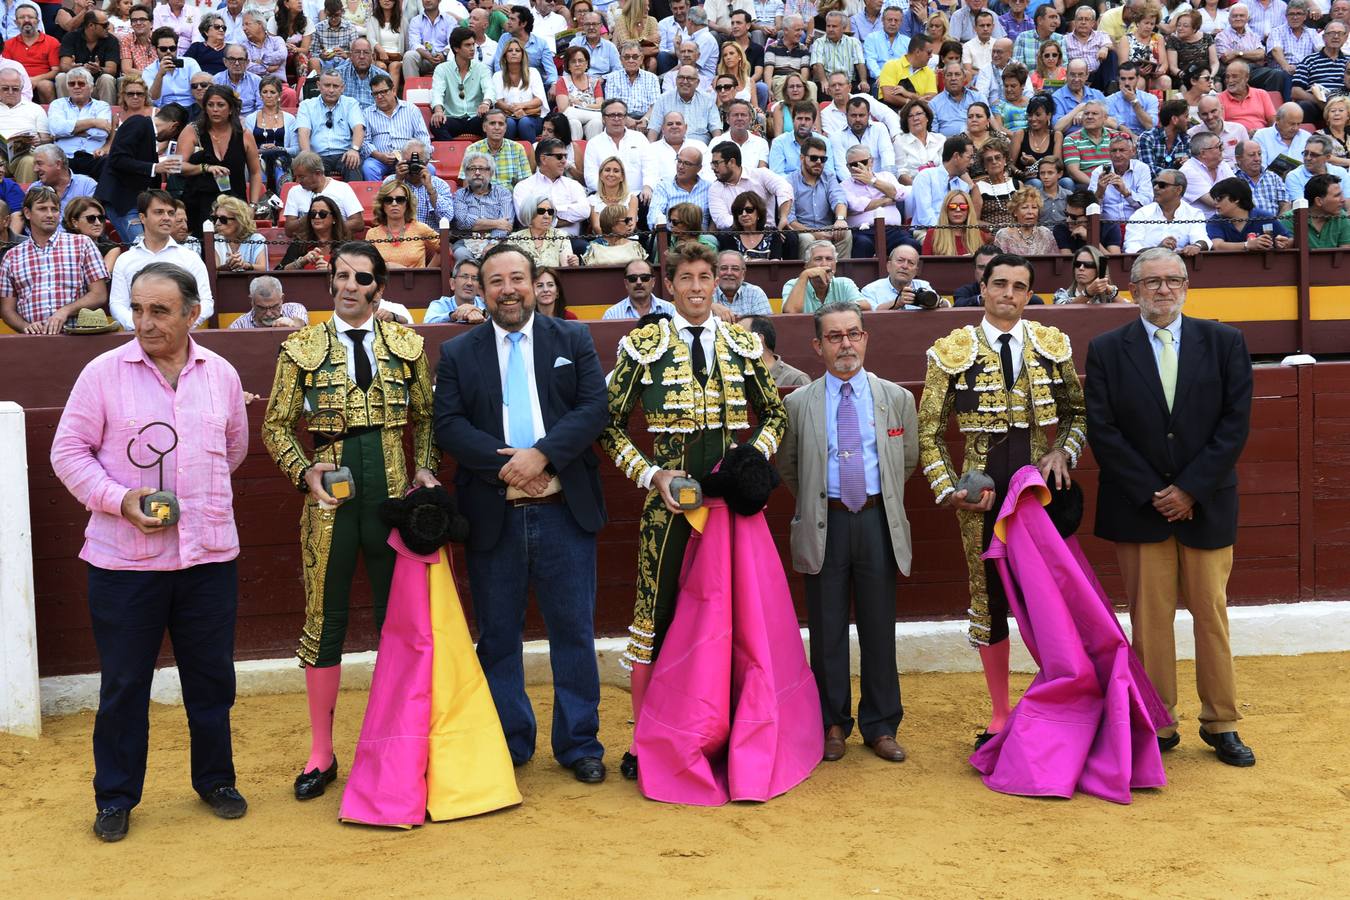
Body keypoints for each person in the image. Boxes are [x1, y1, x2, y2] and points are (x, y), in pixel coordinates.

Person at [49, 261, 249, 844]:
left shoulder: (222, 374)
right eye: (136, 309)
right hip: (124, 562)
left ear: (193, 313)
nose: (145, 322)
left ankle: (214, 780)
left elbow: (232, 448)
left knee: (212, 680)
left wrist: (195, 498)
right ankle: (115, 796)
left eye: (160, 310)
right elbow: (68, 453)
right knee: (124, 685)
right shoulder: (102, 372)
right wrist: (120, 498)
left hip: (207, 556)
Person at [600, 240, 786, 781]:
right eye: (687, 278)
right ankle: (643, 739)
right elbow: (608, 426)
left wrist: (751, 460)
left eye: (706, 277)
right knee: (651, 620)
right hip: (669, 510)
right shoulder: (644, 345)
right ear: (670, 284)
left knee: (730, 621)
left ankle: (722, 727)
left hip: (730, 510)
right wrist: (652, 474)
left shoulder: (741, 344)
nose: (698, 287)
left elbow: (775, 416)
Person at [262, 240, 441, 801]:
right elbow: (275, 425)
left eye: (362, 278)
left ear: (378, 288)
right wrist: (303, 472)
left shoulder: (408, 344)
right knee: (325, 618)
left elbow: (429, 417)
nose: (349, 286)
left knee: (401, 621)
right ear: (330, 282)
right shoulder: (300, 347)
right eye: (341, 275)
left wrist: (425, 470)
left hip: (390, 493)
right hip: (331, 497)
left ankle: (398, 737)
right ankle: (322, 751)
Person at [433, 242, 609, 782]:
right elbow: (449, 425)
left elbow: (593, 408)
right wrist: (508, 465)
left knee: (574, 631)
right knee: (499, 633)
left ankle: (579, 744)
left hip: (564, 508)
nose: (508, 290)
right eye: (495, 282)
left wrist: (543, 455)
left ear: (535, 284)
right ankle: (510, 740)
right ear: (479, 291)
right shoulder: (460, 351)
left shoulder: (573, 338)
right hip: (496, 510)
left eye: (517, 279)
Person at [1085, 246, 1257, 768]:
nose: (1163, 289)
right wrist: (1155, 492)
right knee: (1150, 620)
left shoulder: (1225, 341)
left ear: (1186, 285)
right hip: (1141, 506)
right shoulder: (1107, 348)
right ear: (1133, 289)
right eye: (1152, 281)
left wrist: (1190, 490)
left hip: (1204, 503)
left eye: (1172, 280)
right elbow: (1104, 430)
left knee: (1212, 615)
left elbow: (1235, 424)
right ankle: (1158, 721)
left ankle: (1221, 721)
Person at [917, 252, 1086, 750]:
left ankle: (1056, 696)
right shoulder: (952, 349)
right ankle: (999, 712)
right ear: (983, 287)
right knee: (988, 597)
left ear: (1029, 293)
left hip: (1037, 496)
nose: (1008, 293)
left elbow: (1079, 413)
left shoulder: (1052, 345)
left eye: (1018, 286)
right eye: (999, 284)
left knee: (1046, 596)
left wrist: (1063, 449)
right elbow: (927, 432)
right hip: (983, 501)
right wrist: (949, 491)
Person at [778, 300, 917, 764]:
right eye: (835, 337)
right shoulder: (798, 404)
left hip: (877, 519)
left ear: (866, 338)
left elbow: (908, 461)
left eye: (853, 334)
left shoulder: (897, 398)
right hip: (827, 521)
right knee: (827, 628)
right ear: (818, 346)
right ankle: (831, 722)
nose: (846, 344)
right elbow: (791, 468)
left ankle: (880, 725)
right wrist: (825, 500)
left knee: (880, 626)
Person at [0, 185, 108, 333]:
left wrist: (65, 311)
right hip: (33, 343)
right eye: (42, 209)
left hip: (79, 337)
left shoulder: (82, 244)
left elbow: (99, 294)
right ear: (27, 213)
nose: (50, 214)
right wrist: (26, 327)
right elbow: (7, 310)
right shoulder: (12, 257)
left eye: (54, 209)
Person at [109, 189, 212, 329]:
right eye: (159, 212)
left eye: (170, 213)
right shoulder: (125, 259)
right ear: (142, 217)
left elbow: (206, 302)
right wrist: (139, 325)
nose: (166, 217)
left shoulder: (190, 258)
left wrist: (182, 326)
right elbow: (117, 303)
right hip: (137, 337)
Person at [175, 85, 264, 233]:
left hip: (234, 204)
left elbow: (255, 173)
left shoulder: (245, 134)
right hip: (199, 203)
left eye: (220, 105)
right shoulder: (192, 130)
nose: (215, 109)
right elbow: (175, 166)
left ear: (230, 109)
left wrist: (253, 206)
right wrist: (204, 167)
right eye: (210, 105)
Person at [93, 102, 185, 242]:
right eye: (174, 135)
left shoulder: (146, 130)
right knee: (142, 248)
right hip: (122, 201)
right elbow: (117, 159)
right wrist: (155, 168)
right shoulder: (138, 122)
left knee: (145, 247)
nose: (170, 139)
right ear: (174, 126)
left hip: (133, 202)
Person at [785, 134, 850, 260]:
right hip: (803, 229)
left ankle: (841, 274)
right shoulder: (790, 182)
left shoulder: (829, 177)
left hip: (826, 227)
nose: (819, 162)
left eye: (823, 159)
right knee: (807, 238)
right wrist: (814, 233)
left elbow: (839, 199)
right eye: (814, 158)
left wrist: (841, 219)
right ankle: (807, 276)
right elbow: (790, 220)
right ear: (802, 158)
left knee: (845, 231)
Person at [512, 136, 589, 237]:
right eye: (559, 156)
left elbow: (584, 211)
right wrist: (566, 219)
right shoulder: (523, 186)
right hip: (535, 242)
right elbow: (526, 219)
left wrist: (546, 211)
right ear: (543, 159)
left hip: (571, 241)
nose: (564, 161)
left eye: (566, 156)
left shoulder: (573, 184)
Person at [296, 70, 364, 183]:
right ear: (318, 86)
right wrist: (307, 154)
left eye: (335, 86)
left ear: (342, 88)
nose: (331, 90)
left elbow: (359, 128)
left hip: (344, 154)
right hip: (317, 155)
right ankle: (315, 200)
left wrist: (354, 149)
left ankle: (354, 199)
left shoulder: (351, 103)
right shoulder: (306, 105)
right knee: (310, 167)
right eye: (327, 85)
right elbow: (303, 132)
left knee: (353, 163)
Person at [1125, 169, 1212, 254]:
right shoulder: (1142, 214)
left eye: (1162, 185)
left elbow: (1202, 239)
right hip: (1148, 264)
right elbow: (1132, 247)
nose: (1155, 188)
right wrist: (1158, 250)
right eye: (1155, 184)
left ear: (1178, 189)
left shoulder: (1194, 214)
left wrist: (1196, 246)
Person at [429, 26, 493, 141]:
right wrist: (438, 111)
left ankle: (486, 156)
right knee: (436, 124)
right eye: (467, 45)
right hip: (452, 118)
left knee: (493, 121)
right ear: (456, 48)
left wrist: (486, 103)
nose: (472, 48)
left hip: (476, 117)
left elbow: (489, 89)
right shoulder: (442, 69)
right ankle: (453, 154)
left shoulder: (482, 68)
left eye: (473, 44)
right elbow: (437, 92)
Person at [282, 151, 364, 237]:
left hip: (337, 245)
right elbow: (289, 231)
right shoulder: (294, 191)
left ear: (318, 173)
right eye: (296, 177)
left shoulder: (342, 188)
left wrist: (327, 230)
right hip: (306, 246)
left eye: (301, 177)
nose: (297, 181)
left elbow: (358, 224)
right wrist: (311, 216)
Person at [451, 151, 515, 262]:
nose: (477, 172)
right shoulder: (460, 194)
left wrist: (493, 243)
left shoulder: (503, 193)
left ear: (491, 172)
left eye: (482, 169)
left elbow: (507, 223)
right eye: (472, 169)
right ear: (466, 173)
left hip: (497, 240)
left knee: (499, 256)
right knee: (461, 254)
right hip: (467, 240)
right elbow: (462, 222)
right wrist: (497, 223)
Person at [366, 178, 439, 269]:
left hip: (416, 283)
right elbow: (368, 265)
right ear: (382, 204)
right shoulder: (372, 234)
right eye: (388, 200)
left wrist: (426, 272)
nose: (394, 204)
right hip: (385, 282)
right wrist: (388, 266)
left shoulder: (421, 228)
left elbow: (444, 249)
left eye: (400, 200)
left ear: (407, 204)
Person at [1206, 176, 1294, 249]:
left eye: (1219, 198)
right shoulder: (1215, 220)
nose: (1215, 203)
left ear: (1236, 198)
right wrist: (1247, 245)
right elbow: (1217, 246)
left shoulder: (1264, 217)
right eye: (1214, 199)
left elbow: (1289, 240)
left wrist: (1282, 243)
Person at [782, 239, 865, 313]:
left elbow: (865, 307)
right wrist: (804, 275)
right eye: (818, 259)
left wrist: (835, 310)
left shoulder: (844, 283)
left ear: (835, 264)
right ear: (807, 265)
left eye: (829, 259)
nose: (824, 264)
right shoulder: (793, 284)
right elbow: (791, 312)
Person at [55, 6, 118, 102]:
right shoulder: (71, 37)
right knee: (61, 77)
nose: (108, 28)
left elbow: (112, 70)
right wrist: (72, 68)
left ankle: (107, 113)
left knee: (107, 78)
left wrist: (99, 69)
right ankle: (65, 111)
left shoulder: (111, 40)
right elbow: (64, 66)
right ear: (91, 25)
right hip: (76, 83)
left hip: (97, 85)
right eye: (104, 25)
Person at [3, 2, 58, 103]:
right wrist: (23, 81)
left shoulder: (52, 42)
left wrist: (35, 79)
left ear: (38, 21)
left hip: (42, 83)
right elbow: (6, 69)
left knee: (45, 85)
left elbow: (55, 70)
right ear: (16, 22)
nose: (26, 20)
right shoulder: (7, 44)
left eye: (30, 17)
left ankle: (48, 116)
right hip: (16, 83)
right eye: (22, 17)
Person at [279, 195, 351, 270]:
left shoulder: (346, 245)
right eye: (313, 214)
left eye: (322, 213)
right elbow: (279, 272)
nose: (316, 216)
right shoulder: (300, 243)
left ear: (334, 218)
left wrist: (332, 269)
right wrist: (301, 261)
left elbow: (355, 271)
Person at [862, 243, 941, 311]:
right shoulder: (871, 290)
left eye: (911, 263)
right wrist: (898, 302)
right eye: (900, 260)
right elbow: (871, 314)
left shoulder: (923, 286)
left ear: (916, 271)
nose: (905, 266)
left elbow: (945, 305)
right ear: (888, 266)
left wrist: (936, 302)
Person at [505, 194, 578, 267]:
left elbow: (566, 266)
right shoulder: (515, 239)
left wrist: (572, 263)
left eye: (550, 211)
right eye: (541, 211)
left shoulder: (561, 236)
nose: (547, 216)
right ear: (529, 213)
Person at [1280, 172, 1350, 247]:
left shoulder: (1342, 217)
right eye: (1337, 196)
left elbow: (1345, 255)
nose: (1343, 200)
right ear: (1319, 201)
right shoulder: (1289, 220)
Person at [739, 315, 810, 387]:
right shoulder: (738, 377)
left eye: (739, 335)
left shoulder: (795, 379)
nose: (733, 340)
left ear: (758, 339)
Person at [1234, 138, 1293, 219]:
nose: (1257, 159)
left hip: (1274, 228)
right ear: (1238, 159)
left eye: (1259, 154)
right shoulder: (1232, 179)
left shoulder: (1273, 177)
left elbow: (1286, 204)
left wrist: (1278, 224)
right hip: (1246, 228)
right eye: (1252, 155)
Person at [142, 25, 200, 107]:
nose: (168, 52)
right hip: (165, 109)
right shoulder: (149, 70)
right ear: (155, 49)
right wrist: (160, 75)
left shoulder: (190, 63)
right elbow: (152, 98)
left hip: (190, 107)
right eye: (163, 49)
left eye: (172, 48)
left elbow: (200, 90)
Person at [921, 189, 990, 255]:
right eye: (952, 206)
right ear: (946, 209)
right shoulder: (932, 234)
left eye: (963, 206)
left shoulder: (980, 235)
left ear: (969, 210)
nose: (958, 209)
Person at [1055, 188, 1125, 254]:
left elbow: (1114, 261)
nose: (1068, 220)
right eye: (1066, 214)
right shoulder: (1061, 228)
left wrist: (1090, 238)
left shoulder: (1109, 225)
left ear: (1090, 216)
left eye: (1074, 217)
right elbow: (1067, 262)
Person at [600, 258, 674, 319]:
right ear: (626, 283)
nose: (639, 282)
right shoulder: (612, 315)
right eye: (633, 278)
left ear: (653, 282)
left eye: (644, 277)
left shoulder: (669, 310)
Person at [210, 195, 268, 272]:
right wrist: (227, 266)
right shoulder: (215, 239)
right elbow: (213, 270)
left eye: (223, 219)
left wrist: (245, 265)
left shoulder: (257, 239)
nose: (217, 223)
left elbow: (262, 268)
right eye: (215, 218)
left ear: (239, 221)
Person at [1220, 59, 1278, 134]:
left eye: (1234, 76)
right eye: (1227, 77)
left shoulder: (1261, 94)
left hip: (1261, 137)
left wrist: (1264, 134)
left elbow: (1273, 122)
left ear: (1246, 77)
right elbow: (1221, 128)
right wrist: (1245, 133)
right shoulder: (1219, 98)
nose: (1230, 81)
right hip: (1235, 140)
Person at [64, 195, 121, 270]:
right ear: (75, 222)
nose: (98, 223)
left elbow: (102, 278)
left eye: (100, 218)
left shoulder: (112, 249)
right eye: (91, 218)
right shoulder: (60, 245)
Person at [229, 274, 308, 327]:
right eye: (262, 308)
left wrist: (292, 324)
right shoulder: (239, 325)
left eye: (274, 307)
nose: (269, 314)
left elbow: (300, 324)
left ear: (282, 299)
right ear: (252, 301)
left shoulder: (293, 309)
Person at [1190, 94, 1250, 165]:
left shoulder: (1238, 130)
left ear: (1221, 109)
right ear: (1199, 115)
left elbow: (1248, 157)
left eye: (1213, 111)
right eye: (1204, 114)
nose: (1210, 117)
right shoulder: (1192, 134)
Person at [1286, 134, 1350, 198]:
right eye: (1305, 153)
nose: (1308, 158)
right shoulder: (1294, 176)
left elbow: (1347, 201)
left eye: (1314, 155)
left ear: (1327, 157)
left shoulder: (1341, 172)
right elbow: (1301, 207)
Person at [402, 0, 451, 82]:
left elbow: (453, 42)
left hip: (444, 59)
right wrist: (427, 55)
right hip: (424, 58)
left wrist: (444, 54)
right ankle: (412, 91)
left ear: (439, 1)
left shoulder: (449, 20)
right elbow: (414, 43)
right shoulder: (415, 21)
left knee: (456, 54)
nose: (427, 0)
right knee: (409, 55)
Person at [712, 249, 770, 317]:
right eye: (724, 268)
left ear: (743, 274)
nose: (729, 273)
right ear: (716, 272)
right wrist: (710, 306)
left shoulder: (755, 293)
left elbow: (765, 325)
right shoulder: (708, 292)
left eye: (735, 269)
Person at [1053, 244, 1119, 304]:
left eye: (1088, 265)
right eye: (1077, 264)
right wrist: (1088, 292)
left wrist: (1111, 292)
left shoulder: (1109, 295)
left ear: (1098, 268)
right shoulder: (1061, 294)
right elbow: (1064, 310)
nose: (1081, 268)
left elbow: (1127, 312)